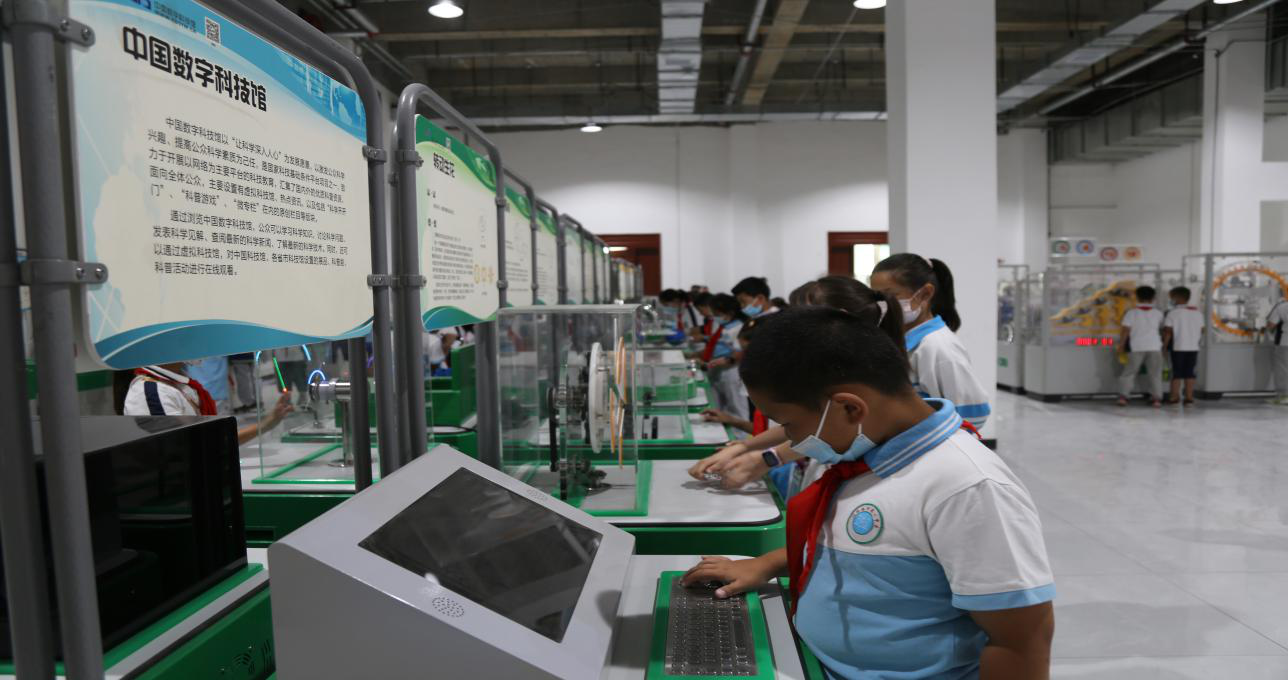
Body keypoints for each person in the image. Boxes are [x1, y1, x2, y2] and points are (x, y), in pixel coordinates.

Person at [682, 308, 1055, 679]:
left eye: (790, 424)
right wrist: (766, 564)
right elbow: (853, 549)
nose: (791, 439)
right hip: (814, 661)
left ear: (849, 408)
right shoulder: (864, 452)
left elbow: (1020, 642)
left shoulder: (968, 487)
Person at [690, 276, 905, 488]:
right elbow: (802, 425)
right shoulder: (832, 369)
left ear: (838, 321)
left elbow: (819, 430)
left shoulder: (863, 382)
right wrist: (746, 446)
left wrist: (767, 458)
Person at [870, 254, 991, 428]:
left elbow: (974, 415)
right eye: (877, 298)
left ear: (925, 294)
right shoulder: (900, 341)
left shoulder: (938, 347)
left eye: (890, 296)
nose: (882, 305)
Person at [123, 363, 293, 444]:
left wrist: (267, 423)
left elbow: (207, 441)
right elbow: (189, 447)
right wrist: (265, 425)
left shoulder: (177, 384)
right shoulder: (151, 391)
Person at [1116, 285, 1165, 407]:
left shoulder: (1131, 313)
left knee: (1129, 373)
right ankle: (1156, 398)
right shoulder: (1158, 313)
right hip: (1155, 346)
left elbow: (1125, 330)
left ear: (1136, 297)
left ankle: (1123, 397)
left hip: (1136, 347)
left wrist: (1121, 345)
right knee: (1155, 374)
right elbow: (1162, 330)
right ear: (1153, 298)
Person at [703, 294, 749, 421]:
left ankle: (740, 431)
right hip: (718, 369)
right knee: (718, 405)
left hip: (732, 370)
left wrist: (727, 360)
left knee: (736, 406)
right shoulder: (724, 326)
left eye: (717, 314)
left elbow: (740, 352)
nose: (714, 316)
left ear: (729, 313)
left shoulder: (738, 327)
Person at [1162, 286, 1202, 406]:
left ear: (1177, 298)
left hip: (1178, 347)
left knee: (1176, 373)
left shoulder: (1173, 313)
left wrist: (1164, 347)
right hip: (1193, 347)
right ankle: (1189, 398)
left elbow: (1168, 332)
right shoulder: (1197, 313)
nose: (1171, 300)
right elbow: (1202, 330)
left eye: (1171, 297)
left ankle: (1174, 397)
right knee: (1190, 372)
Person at [1266, 295, 1288, 405]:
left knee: (1283, 370)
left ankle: (1284, 396)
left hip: (1285, 342)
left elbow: (1270, 325)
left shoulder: (1282, 307)